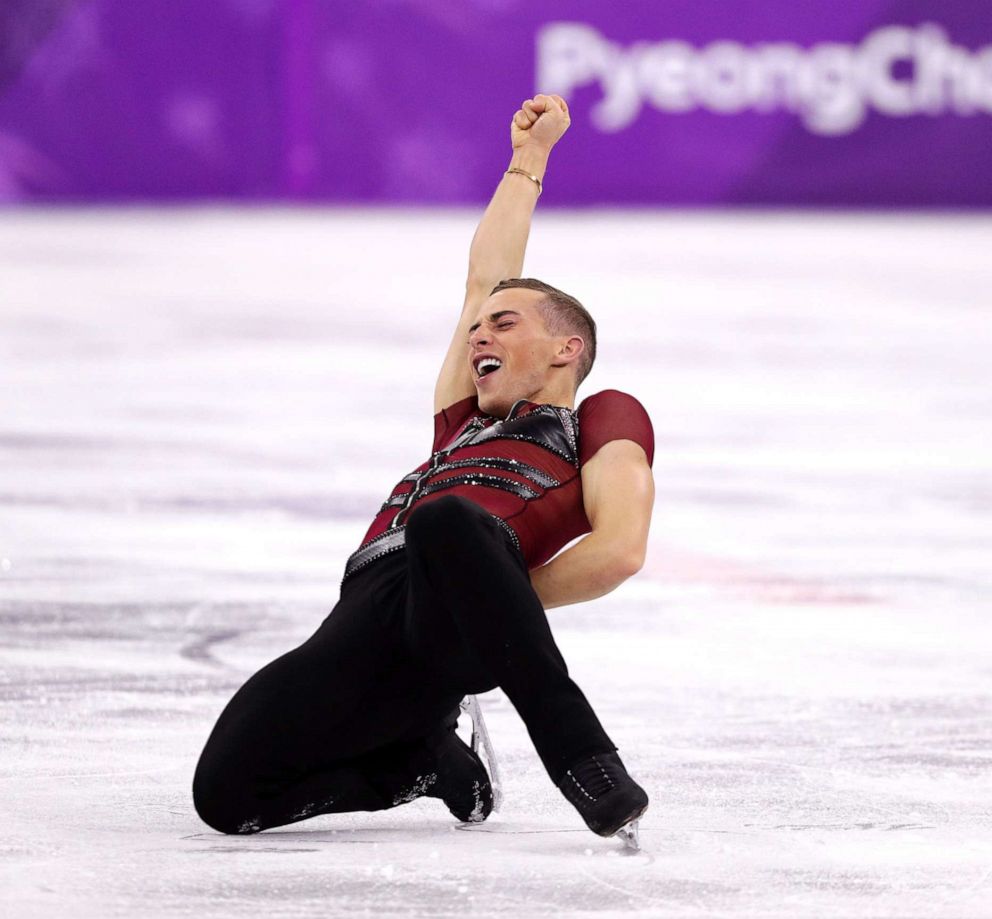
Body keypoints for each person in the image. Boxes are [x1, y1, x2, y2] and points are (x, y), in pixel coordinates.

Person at [192, 93, 655, 844]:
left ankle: (585, 761)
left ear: (567, 349)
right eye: (477, 330)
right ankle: (426, 765)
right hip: (361, 619)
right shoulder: (460, 419)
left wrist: (485, 598)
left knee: (446, 520)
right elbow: (482, 280)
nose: (479, 336)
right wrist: (527, 160)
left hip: (448, 617)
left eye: (505, 325)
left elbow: (620, 549)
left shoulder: (602, 418)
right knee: (225, 794)